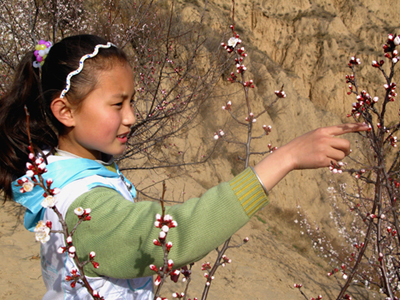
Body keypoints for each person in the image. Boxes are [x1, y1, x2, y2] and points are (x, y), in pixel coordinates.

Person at [0, 34, 368, 300]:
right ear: (65, 112)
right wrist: (284, 159)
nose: (132, 117)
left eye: (132, 101)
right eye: (117, 104)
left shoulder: (59, 172)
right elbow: (172, 236)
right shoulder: (84, 205)